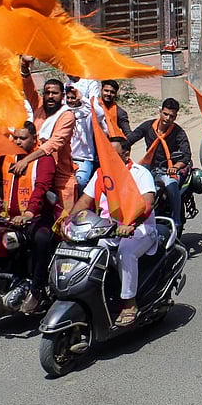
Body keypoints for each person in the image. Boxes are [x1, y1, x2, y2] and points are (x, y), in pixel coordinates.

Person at [0, 122, 57, 311]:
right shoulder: (7, 158)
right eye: (15, 138)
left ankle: (37, 289)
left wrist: (29, 213)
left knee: (41, 238)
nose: (18, 142)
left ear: (34, 139)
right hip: (9, 216)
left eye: (23, 138)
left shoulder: (44, 159)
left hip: (37, 217)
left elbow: (41, 187)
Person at [71, 137, 158, 327]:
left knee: (125, 252)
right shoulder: (101, 174)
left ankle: (129, 304)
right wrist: (69, 221)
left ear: (126, 155)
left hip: (140, 229)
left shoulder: (139, 173)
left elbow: (147, 204)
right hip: (108, 230)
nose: (107, 160)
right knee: (90, 251)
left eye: (113, 156)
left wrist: (131, 224)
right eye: (105, 156)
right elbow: (84, 201)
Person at [18, 55, 77, 211]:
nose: (50, 96)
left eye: (54, 93)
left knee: (64, 220)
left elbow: (53, 143)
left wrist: (26, 160)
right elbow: (28, 88)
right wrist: (24, 66)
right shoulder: (39, 106)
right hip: (35, 172)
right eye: (47, 92)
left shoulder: (67, 115)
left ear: (62, 96)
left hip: (60, 176)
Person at [127, 98, 192, 228]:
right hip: (149, 167)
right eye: (165, 114)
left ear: (175, 117)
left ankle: (176, 220)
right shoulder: (148, 126)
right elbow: (129, 140)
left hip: (168, 169)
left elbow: (186, 155)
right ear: (160, 112)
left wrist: (175, 167)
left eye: (171, 116)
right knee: (131, 183)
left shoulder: (178, 132)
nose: (167, 118)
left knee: (171, 185)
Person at [65, 84, 103, 189]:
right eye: (68, 98)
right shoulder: (63, 114)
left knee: (80, 182)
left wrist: (82, 98)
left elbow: (100, 113)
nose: (70, 100)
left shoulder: (86, 115)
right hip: (66, 158)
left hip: (83, 158)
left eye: (73, 98)